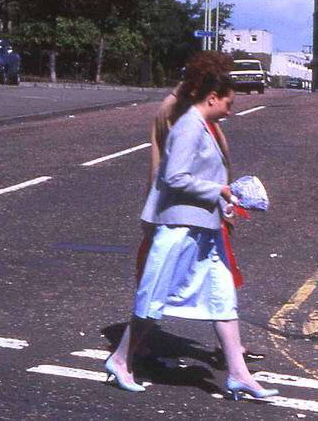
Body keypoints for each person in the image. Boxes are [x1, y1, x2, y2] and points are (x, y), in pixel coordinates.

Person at [104, 58, 278, 401]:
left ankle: (239, 375)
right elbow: (174, 178)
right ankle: (121, 359)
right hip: (179, 227)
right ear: (212, 97)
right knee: (153, 297)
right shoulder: (187, 126)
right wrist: (219, 191)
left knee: (223, 296)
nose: (230, 110)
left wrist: (224, 201)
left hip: (204, 228)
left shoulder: (202, 125)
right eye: (228, 103)